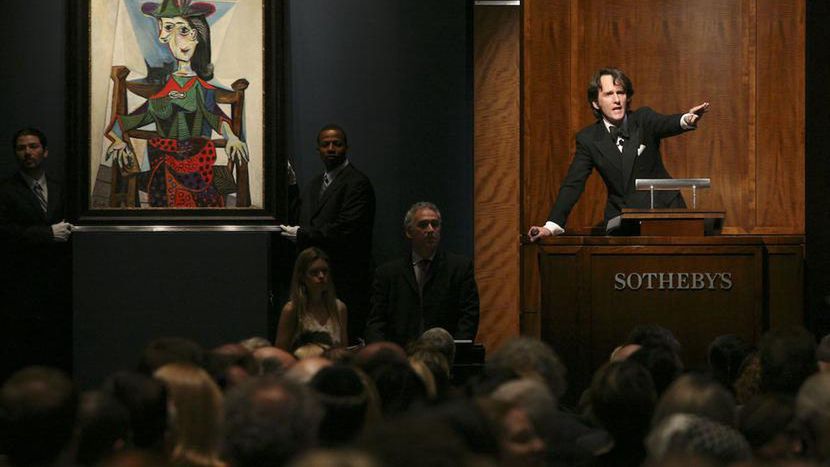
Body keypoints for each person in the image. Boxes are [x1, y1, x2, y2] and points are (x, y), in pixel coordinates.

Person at [527, 67, 710, 239]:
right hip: (623, 224)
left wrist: (686, 119)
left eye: (620, 93)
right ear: (596, 103)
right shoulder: (588, 139)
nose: (617, 100)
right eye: (609, 94)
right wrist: (551, 226)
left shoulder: (643, 120)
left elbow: (666, 123)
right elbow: (573, 183)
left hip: (666, 213)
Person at [105, 0, 249, 207]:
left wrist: (232, 137)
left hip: (198, 166)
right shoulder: (161, 95)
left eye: (185, 30)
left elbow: (216, 118)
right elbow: (123, 123)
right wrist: (117, 140)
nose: (180, 39)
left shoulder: (202, 89)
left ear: (197, 36)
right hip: (163, 168)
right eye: (170, 29)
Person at [279, 124, 375, 344]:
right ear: (318, 149)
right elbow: (302, 217)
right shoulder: (315, 184)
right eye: (325, 144)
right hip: (312, 284)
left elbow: (347, 228)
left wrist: (303, 235)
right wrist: (292, 186)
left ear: (346, 147)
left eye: (336, 144)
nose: (331, 149)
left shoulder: (358, 183)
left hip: (344, 278)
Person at [0, 128, 73, 378]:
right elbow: (4, 232)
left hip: (58, 281)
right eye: (21, 148)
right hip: (20, 281)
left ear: (45, 151)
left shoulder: (61, 188)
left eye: (33, 146)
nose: (27, 152)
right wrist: (46, 234)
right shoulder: (5, 190)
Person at [365, 202, 479, 347]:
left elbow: (468, 317)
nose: (430, 230)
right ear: (409, 231)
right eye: (423, 225)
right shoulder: (387, 274)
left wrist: (456, 351)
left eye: (435, 224)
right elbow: (376, 321)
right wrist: (382, 353)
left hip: (445, 353)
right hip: (401, 353)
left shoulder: (459, 268)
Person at [276, 247, 348, 350]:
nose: (321, 276)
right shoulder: (292, 309)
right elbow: (280, 352)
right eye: (314, 272)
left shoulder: (339, 308)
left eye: (325, 271)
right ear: (302, 277)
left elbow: (343, 350)